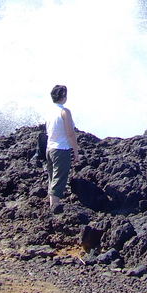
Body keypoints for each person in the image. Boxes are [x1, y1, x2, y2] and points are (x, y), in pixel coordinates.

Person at [45, 84, 79, 212]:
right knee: (59, 179)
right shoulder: (64, 112)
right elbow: (70, 133)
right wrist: (76, 151)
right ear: (63, 96)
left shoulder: (49, 112)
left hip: (49, 149)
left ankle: (52, 205)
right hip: (61, 150)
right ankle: (54, 209)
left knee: (52, 177)